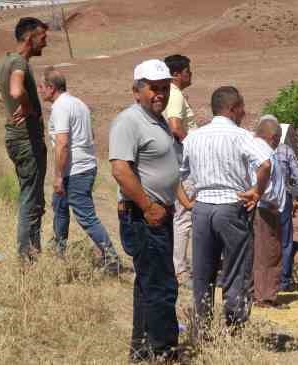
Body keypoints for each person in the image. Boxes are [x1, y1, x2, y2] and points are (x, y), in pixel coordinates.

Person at [109, 59, 191, 361]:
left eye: (163, 87)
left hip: (159, 214)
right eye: (153, 88)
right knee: (162, 287)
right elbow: (120, 169)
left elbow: (165, 167)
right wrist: (147, 206)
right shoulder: (129, 121)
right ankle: (164, 352)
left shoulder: (156, 121)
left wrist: (180, 199)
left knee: (148, 284)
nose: (160, 93)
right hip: (144, 217)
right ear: (136, 91)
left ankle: (142, 351)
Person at [181, 86, 272, 336]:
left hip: (202, 208)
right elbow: (265, 163)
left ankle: (202, 328)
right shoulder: (242, 136)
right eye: (242, 107)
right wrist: (257, 191)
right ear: (233, 108)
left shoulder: (194, 137)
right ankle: (235, 329)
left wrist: (187, 201)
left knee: (203, 271)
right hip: (232, 207)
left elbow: (175, 173)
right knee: (236, 271)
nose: (245, 112)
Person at [0, 17, 49, 262]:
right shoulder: (19, 62)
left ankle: (32, 253)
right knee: (31, 199)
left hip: (15, 138)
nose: (45, 42)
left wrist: (10, 105)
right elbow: (16, 90)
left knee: (31, 196)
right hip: (26, 140)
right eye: (42, 37)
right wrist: (25, 104)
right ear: (30, 38)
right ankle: (27, 259)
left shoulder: (6, 61)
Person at [39, 66, 120, 273]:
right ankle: (58, 249)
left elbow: (63, 143)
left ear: (51, 87)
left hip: (75, 170)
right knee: (59, 207)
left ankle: (111, 258)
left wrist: (57, 176)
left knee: (85, 215)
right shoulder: (79, 104)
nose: (40, 91)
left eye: (42, 87)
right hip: (83, 166)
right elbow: (90, 133)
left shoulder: (61, 107)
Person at [163, 54, 196, 284]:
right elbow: (175, 126)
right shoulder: (174, 94)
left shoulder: (171, 93)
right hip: (182, 161)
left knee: (178, 214)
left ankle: (176, 265)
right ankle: (180, 269)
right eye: (188, 71)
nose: (190, 75)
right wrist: (192, 148)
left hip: (174, 159)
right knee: (184, 215)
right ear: (176, 74)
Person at [251, 115, 287, 308]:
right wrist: (273, 202)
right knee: (270, 253)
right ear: (273, 136)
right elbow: (263, 182)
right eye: (279, 138)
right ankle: (265, 297)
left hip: (262, 207)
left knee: (259, 252)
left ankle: (257, 293)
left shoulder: (252, 147)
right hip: (266, 208)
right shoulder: (264, 152)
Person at [275, 125, 298, 292]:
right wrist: (297, 198)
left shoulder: (256, 149)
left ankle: (262, 280)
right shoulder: (286, 150)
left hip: (261, 199)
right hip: (283, 198)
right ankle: (284, 281)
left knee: (264, 239)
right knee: (285, 242)